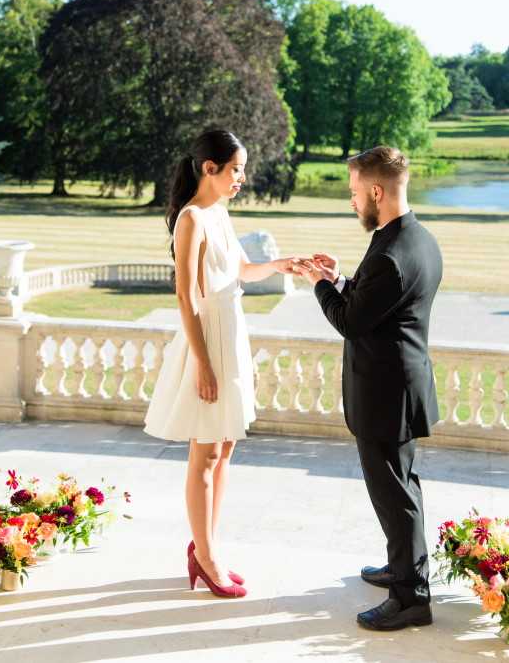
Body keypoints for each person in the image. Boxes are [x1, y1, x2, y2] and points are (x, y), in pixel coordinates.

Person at [293, 146, 442, 631]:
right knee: (403, 489)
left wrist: (320, 284)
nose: (352, 200)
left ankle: (411, 597)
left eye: (356, 192)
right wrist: (340, 276)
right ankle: (404, 569)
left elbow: (350, 321)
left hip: (385, 397)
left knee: (394, 496)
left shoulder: (392, 254)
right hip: (400, 388)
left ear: (377, 191)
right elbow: (382, 300)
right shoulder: (416, 239)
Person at [144, 128, 297, 599]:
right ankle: (207, 560)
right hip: (206, 342)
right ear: (209, 169)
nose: (242, 179)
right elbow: (186, 297)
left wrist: (281, 264)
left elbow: (242, 272)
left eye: (242, 170)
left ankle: (205, 547)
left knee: (225, 447)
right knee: (205, 453)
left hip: (232, 336)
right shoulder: (191, 219)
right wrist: (204, 365)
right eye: (236, 170)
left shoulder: (221, 213)